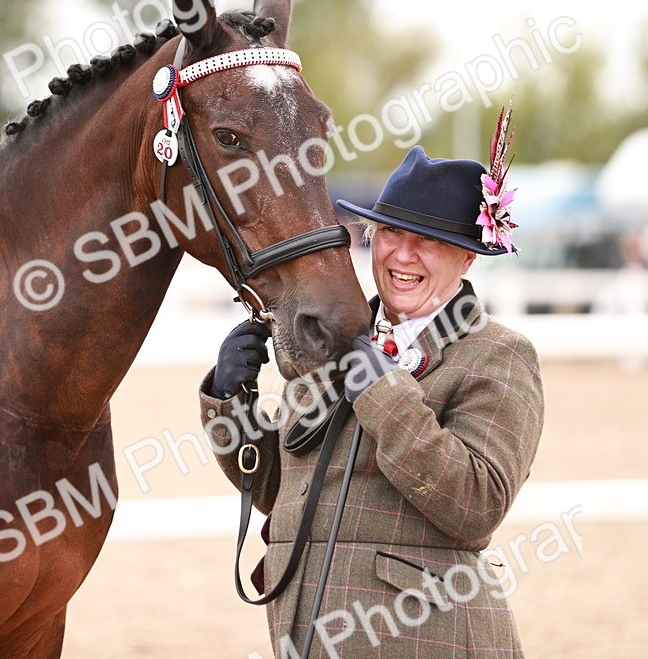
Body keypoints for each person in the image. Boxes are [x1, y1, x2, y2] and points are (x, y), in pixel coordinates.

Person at [199, 129, 545, 658]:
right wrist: (231, 403)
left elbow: (475, 505)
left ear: (467, 258)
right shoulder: (330, 337)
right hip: (308, 632)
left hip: (426, 640)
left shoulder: (498, 355)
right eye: (389, 232)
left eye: (429, 240)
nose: (402, 254)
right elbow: (280, 492)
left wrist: (382, 392)